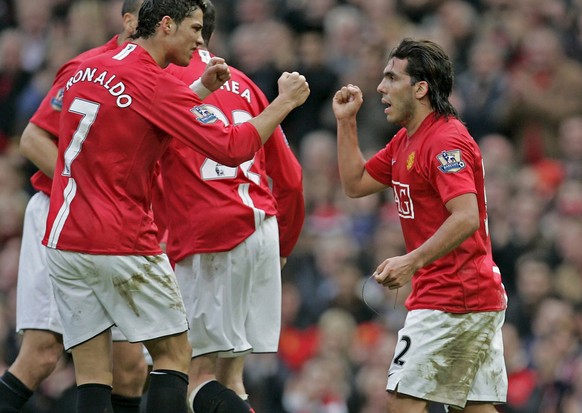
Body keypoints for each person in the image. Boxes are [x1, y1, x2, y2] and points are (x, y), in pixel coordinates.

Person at [41, 1, 310, 412]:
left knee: (94, 374)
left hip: (64, 237)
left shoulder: (88, 68)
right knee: (175, 357)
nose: (201, 39)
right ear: (166, 25)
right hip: (121, 239)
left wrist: (200, 89)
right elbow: (232, 146)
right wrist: (284, 102)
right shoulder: (155, 82)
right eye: (195, 28)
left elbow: (139, 119)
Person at [332, 38, 507, 413]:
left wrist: (411, 261)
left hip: (453, 296)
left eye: (391, 78)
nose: (380, 88)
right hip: (466, 295)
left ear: (421, 88)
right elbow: (355, 184)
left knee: (402, 403)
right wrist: (346, 122)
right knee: (475, 408)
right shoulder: (405, 141)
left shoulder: (446, 141)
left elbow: (466, 216)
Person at [0, 2, 149, 413]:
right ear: (131, 21)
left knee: (131, 365)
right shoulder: (89, 68)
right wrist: (92, 191)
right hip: (61, 212)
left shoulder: (166, 81)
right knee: (42, 356)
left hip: (121, 226)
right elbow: (32, 140)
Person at [160, 1, 305, 412]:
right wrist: (283, 249)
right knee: (230, 376)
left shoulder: (160, 81)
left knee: (193, 377)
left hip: (211, 234)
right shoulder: (245, 83)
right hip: (261, 229)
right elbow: (291, 180)